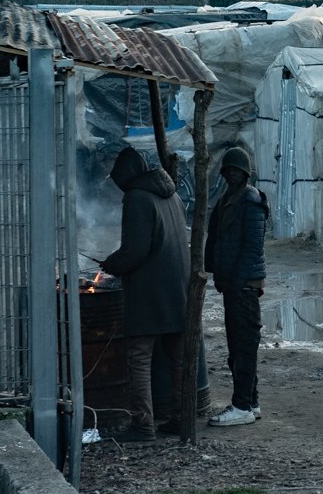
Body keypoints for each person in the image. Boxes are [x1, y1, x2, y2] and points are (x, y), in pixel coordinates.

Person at [100, 146, 190, 441]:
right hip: (178, 288)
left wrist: (111, 264)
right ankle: (182, 419)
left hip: (150, 291)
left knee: (138, 357)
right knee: (179, 358)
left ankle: (143, 426)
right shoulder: (172, 195)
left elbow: (135, 251)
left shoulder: (137, 197)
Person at [204, 146, 268, 427]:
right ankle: (250, 401)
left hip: (244, 286)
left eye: (236, 170)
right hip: (233, 284)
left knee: (243, 347)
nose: (231, 174)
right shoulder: (228, 199)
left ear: (245, 172)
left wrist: (238, 282)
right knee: (239, 347)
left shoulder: (251, 201)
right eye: (228, 169)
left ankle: (242, 405)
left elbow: (253, 247)